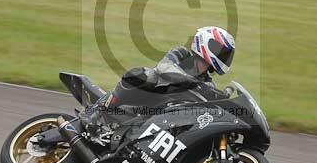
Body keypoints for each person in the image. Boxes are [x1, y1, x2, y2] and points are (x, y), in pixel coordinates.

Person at [79, 26, 236, 135]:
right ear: (207, 44)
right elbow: (163, 68)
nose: (224, 57)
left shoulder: (208, 83)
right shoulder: (181, 54)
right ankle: (95, 111)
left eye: (225, 55)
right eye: (222, 53)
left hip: (166, 115)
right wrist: (192, 82)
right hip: (151, 94)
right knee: (139, 74)